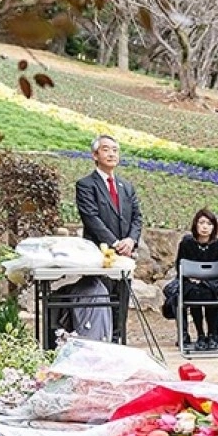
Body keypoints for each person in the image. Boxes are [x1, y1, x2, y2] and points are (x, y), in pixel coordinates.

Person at [74, 134, 141, 342]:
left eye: (115, 150)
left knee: (121, 303)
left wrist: (130, 240)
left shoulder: (126, 187)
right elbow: (91, 218)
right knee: (100, 302)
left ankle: (119, 342)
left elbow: (137, 217)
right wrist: (115, 243)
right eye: (106, 149)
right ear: (95, 155)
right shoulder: (86, 185)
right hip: (99, 255)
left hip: (125, 255)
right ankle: (99, 344)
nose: (111, 153)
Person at [175, 208, 218, 352]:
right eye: (201, 223)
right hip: (192, 284)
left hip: (213, 284)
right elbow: (180, 265)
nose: (205, 226)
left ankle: (213, 334)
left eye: (209, 223)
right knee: (195, 293)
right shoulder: (186, 244)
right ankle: (200, 334)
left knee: (211, 292)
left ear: (214, 227)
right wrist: (192, 277)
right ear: (195, 225)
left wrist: (204, 279)